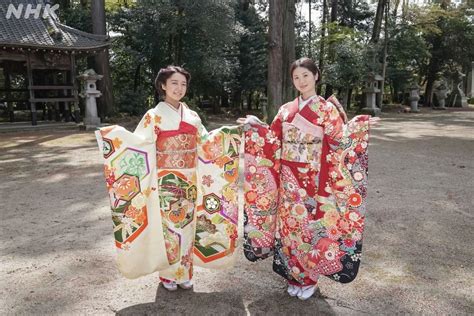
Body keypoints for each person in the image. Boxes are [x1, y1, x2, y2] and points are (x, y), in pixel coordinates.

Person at [238, 57, 379, 300]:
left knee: (310, 229)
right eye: (296, 77)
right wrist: (255, 126)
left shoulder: (326, 110)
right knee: (290, 229)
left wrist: (359, 127)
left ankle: (309, 279)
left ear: (316, 76)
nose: (301, 81)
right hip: (288, 178)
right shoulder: (285, 110)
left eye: (305, 75)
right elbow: (272, 140)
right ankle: (293, 276)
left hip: (315, 180)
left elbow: (339, 141)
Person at [96, 66, 242, 291]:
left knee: (187, 226)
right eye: (174, 83)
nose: (179, 88)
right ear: (163, 85)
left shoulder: (192, 116)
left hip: (190, 180)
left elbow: (207, 142)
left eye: (183, 84)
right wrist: (114, 137)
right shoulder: (154, 116)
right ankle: (167, 275)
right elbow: (139, 145)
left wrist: (233, 132)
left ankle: (185, 272)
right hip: (166, 180)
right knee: (169, 228)